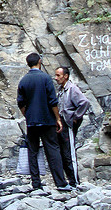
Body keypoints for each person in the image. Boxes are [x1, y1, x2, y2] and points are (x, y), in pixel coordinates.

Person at [17, 52, 71, 191]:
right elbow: (53, 101)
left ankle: (36, 183)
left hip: (32, 121)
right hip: (47, 120)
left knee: (33, 151)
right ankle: (60, 182)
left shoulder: (23, 81)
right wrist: (58, 118)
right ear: (39, 61)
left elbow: (21, 103)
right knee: (52, 150)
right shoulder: (45, 78)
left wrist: (27, 115)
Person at [55, 66, 90, 187]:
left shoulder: (72, 89)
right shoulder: (61, 90)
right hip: (61, 124)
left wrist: (75, 117)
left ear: (66, 76)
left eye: (58, 75)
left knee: (69, 152)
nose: (56, 78)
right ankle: (70, 179)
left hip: (68, 123)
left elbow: (84, 102)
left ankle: (75, 181)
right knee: (63, 152)